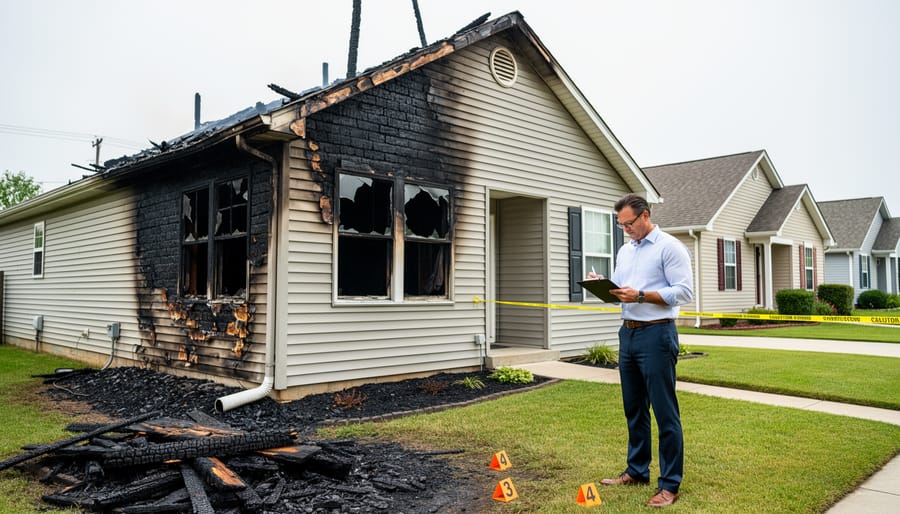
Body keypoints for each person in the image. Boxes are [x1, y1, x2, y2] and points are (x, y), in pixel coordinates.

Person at [587, 193, 693, 508]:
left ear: (645, 215)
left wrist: (642, 295)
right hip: (628, 334)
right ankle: (636, 471)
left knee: (664, 412)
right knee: (634, 409)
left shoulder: (670, 247)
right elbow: (624, 289)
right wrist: (605, 285)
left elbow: (683, 292)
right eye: (621, 225)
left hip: (657, 335)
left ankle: (669, 486)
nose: (625, 230)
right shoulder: (625, 250)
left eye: (629, 223)